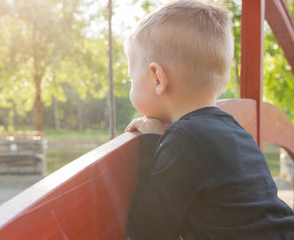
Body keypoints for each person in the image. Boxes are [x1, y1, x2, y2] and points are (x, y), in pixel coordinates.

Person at [123, 0, 294, 239]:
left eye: (130, 78)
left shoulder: (185, 141)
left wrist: (151, 143)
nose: (130, 87)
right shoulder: (234, 128)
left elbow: (145, 231)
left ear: (157, 78)